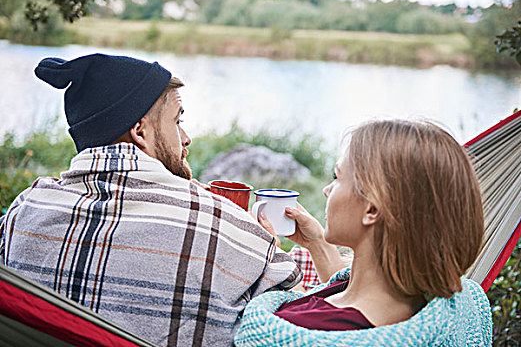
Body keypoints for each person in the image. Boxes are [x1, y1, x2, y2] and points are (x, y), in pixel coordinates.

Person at [0, 53, 301, 347]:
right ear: (140, 131)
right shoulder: (219, 223)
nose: (186, 138)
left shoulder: (23, 211)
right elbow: (294, 312)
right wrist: (263, 240)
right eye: (177, 120)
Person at [236, 120, 492, 346]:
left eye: (337, 177)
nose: (327, 190)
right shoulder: (456, 304)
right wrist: (317, 243)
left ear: (371, 209)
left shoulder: (286, 332)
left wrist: (267, 259)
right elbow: (345, 298)